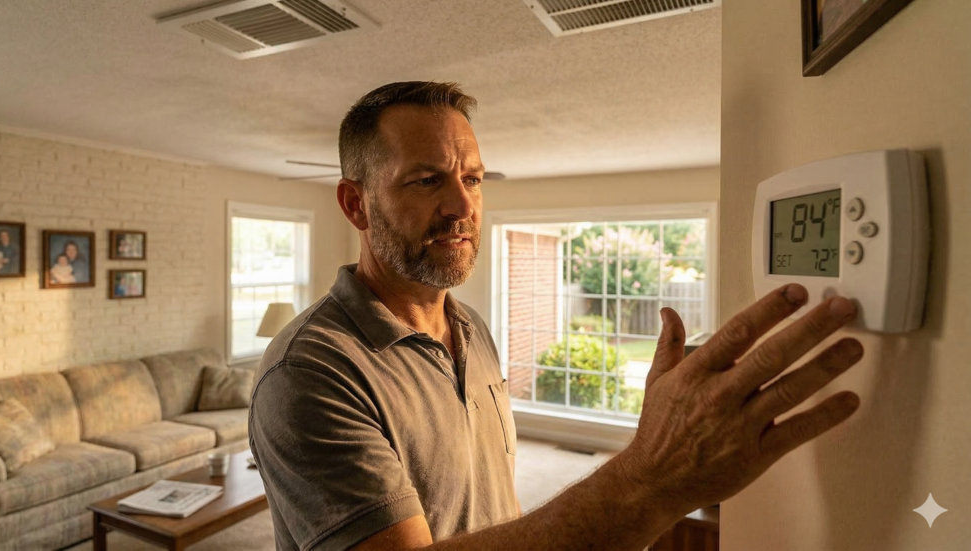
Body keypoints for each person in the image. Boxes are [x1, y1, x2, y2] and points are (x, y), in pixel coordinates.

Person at [249, 82, 864, 551]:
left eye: (473, 177)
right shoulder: (309, 373)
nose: (463, 204)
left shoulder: (472, 330)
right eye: (427, 179)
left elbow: (496, 508)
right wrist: (649, 477)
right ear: (356, 204)